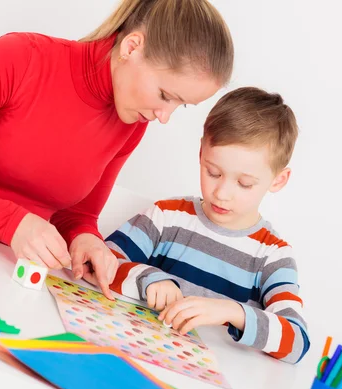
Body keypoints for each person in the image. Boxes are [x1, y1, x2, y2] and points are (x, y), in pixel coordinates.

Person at [0, 0, 234, 300]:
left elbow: (77, 215)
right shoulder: (20, 59)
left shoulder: (132, 121)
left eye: (181, 105)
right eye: (165, 95)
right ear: (131, 47)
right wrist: (11, 223)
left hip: (2, 279)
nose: (164, 117)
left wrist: (87, 240)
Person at [105, 87, 310, 364]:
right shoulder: (167, 216)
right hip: (135, 358)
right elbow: (101, 260)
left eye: (244, 183)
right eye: (213, 172)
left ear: (278, 180)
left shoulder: (273, 256)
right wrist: (148, 278)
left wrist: (231, 312)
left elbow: (297, 342)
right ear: (202, 152)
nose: (222, 192)